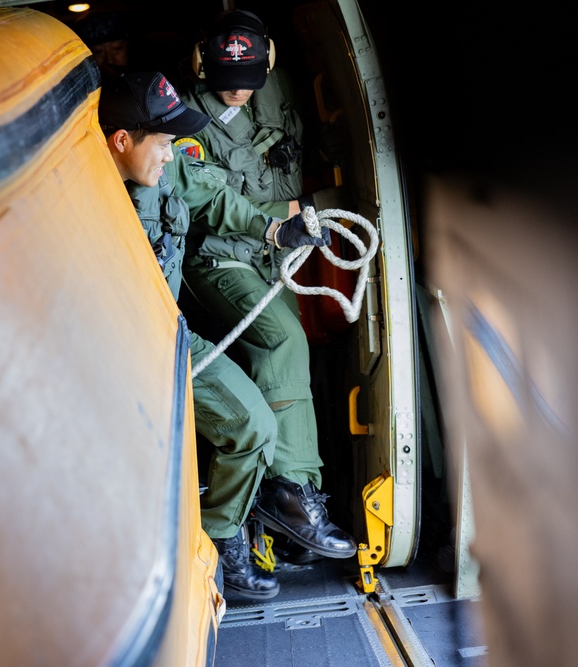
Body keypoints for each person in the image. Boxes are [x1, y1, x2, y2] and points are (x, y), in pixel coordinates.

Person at [98, 72, 356, 599]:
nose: (171, 155)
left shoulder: (163, 172)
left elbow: (215, 197)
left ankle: (221, 543)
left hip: (170, 338)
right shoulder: (85, 201)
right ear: (121, 141)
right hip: (117, 350)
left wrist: (274, 230)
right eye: (164, 143)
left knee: (254, 425)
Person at [174, 9, 346, 220]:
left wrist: (321, 152)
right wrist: (302, 208)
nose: (238, 92)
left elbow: (291, 158)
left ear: (267, 62)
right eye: (226, 81)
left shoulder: (279, 86)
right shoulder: (185, 117)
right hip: (230, 249)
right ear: (201, 64)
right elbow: (206, 203)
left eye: (248, 80)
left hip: (287, 243)